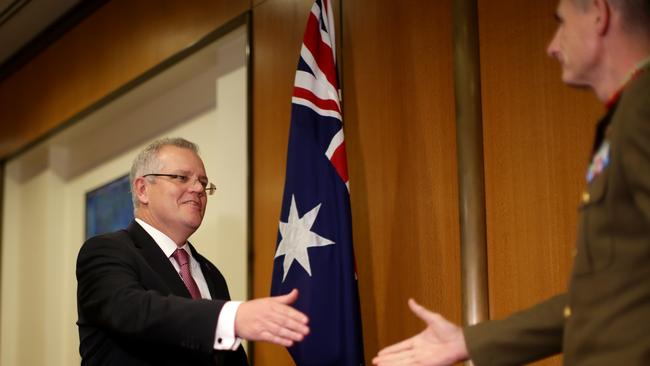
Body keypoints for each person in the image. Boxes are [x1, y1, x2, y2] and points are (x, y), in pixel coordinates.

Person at [373, 0, 650, 364]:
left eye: (562, 23)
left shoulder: (643, 106)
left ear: (599, 14)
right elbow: (599, 298)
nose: (552, 46)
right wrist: (468, 342)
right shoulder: (627, 111)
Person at [76, 138, 310, 365]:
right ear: (142, 189)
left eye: (203, 181)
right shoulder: (106, 251)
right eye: (181, 177)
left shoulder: (210, 273)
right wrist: (232, 317)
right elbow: (133, 311)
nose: (199, 188)